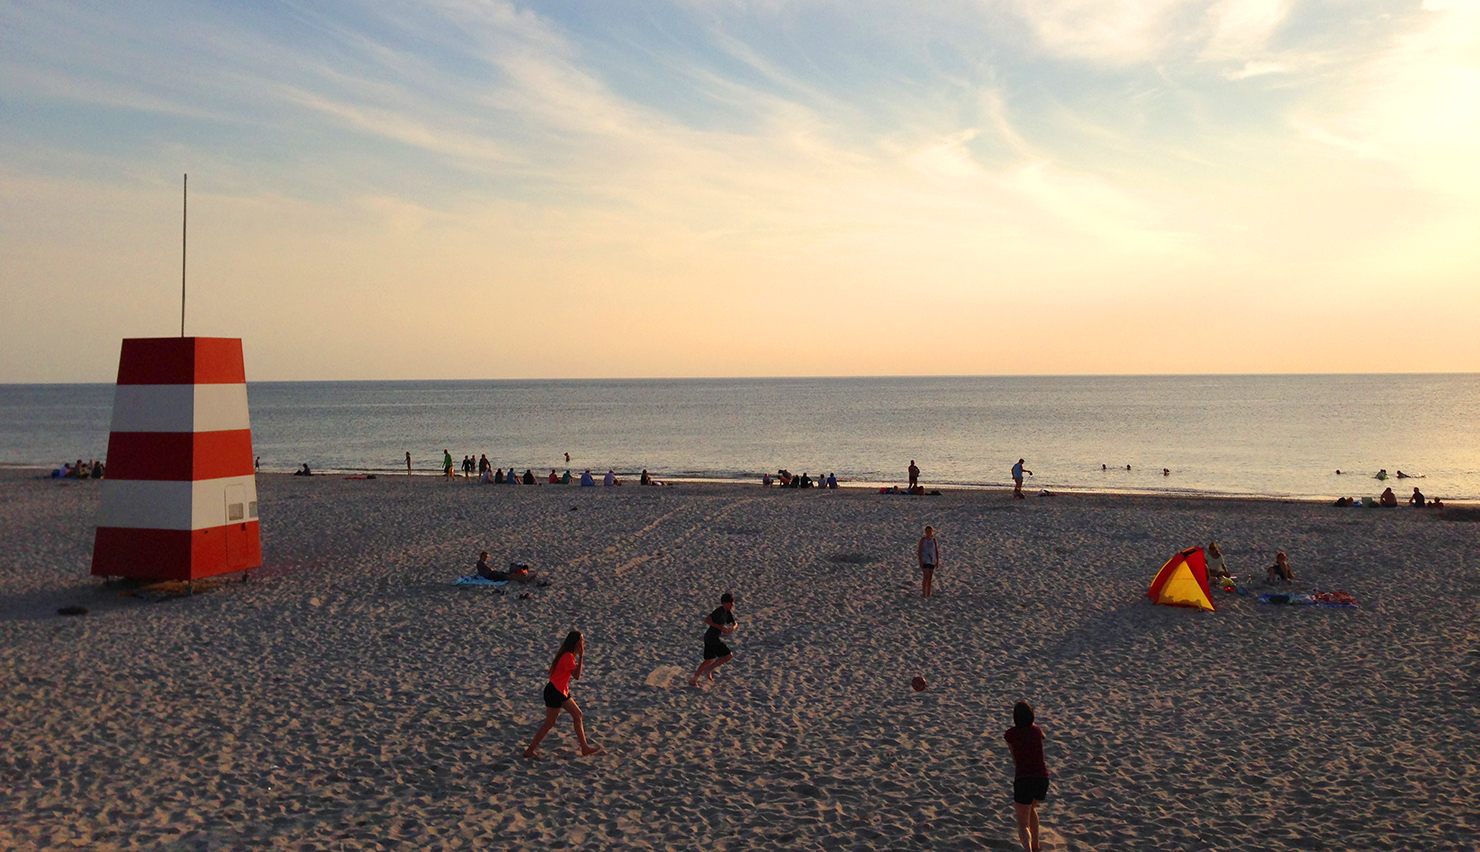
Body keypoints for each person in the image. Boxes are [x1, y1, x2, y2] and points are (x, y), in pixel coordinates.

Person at [524, 631, 602, 758]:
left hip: (562, 691)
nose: (583, 643)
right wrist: (582, 657)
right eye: (581, 641)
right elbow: (576, 676)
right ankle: (530, 750)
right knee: (549, 722)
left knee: (578, 715)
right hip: (554, 692)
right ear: (576, 643)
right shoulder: (567, 657)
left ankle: (584, 747)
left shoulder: (568, 655)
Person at [1004, 701, 1051, 852]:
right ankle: (1036, 846)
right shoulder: (1037, 731)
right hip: (1042, 778)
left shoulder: (1011, 734)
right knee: (1031, 808)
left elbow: (1014, 758)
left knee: (1023, 823)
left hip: (1024, 778)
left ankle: (1028, 850)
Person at [689, 593, 737, 687]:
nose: (732, 604)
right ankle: (709, 669)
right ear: (724, 603)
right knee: (728, 655)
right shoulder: (719, 611)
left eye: (732, 602)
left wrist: (732, 628)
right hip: (711, 638)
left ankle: (693, 680)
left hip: (710, 638)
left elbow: (735, 623)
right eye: (730, 602)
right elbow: (707, 620)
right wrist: (720, 627)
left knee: (709, 660)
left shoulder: (727, 612)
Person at [917, 525, 940, 597]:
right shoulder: (923, 540)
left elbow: (936, 551)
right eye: (927, 531)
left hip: (932, 560)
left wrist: (937, 561)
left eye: (930, 531)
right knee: (926, 576)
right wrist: (920, 560)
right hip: (925, 559)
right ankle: (924, 593)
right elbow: (920, 550)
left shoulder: (934, 540)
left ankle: (929, 593)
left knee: (930, 577)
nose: (928, 533)